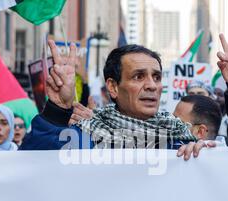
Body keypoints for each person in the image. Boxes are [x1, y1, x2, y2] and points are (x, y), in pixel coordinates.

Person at [21, 40, 215, 159]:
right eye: (139, 77)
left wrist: (202, 154)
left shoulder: (179, 142)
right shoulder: (85, 137)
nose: (152, 85)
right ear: (113, 87)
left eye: (156, 77)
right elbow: (32, 160)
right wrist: (58, 108)